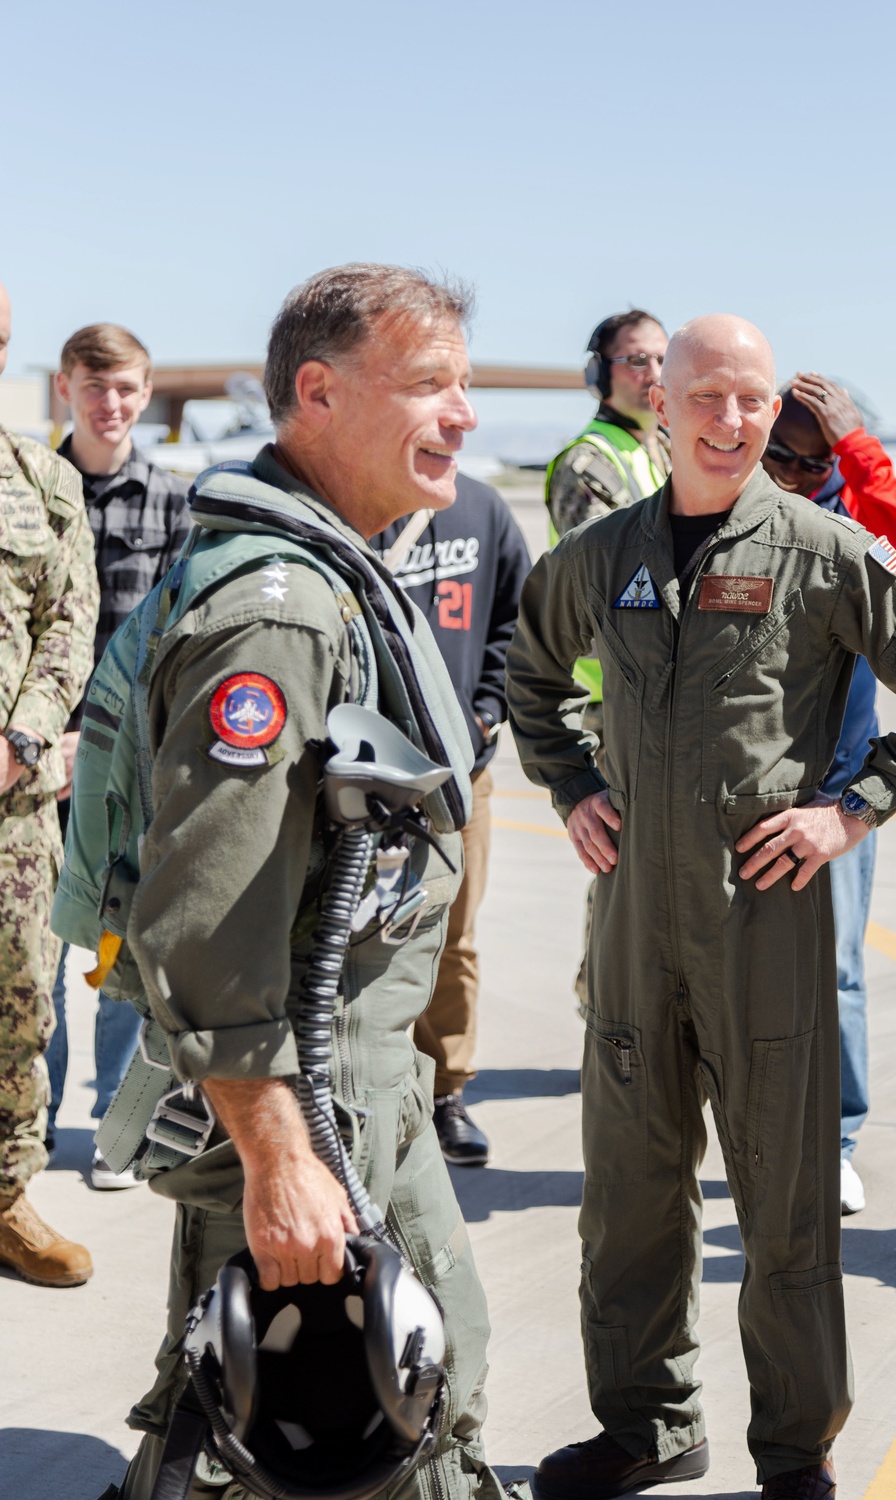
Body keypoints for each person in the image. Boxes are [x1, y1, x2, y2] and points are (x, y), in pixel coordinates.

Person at [506, 314, 896, 1500]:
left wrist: (855, 808)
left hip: (764, 927)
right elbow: (528, 675)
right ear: (662, 405)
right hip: (631, 930)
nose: (733, 422)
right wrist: (571, 784)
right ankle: (644, 1425)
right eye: (710, 398)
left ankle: (794, 1449)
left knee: (784, 1212)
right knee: (626, 1201)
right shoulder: (600, 555)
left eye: (754, 401)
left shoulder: (823, 552)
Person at [105, 264, 522, 1500]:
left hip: (351, 1081)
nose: (465, 414)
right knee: (359, 1424)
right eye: (431, 385)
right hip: (308, 1099)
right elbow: (210, 917)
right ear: (319, 394)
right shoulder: (279, 615)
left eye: (466, 384)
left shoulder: (336, 571)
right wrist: (282, 1159)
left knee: (300, 1402)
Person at [762, 374, 896, 1215]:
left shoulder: (851, 513)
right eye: (781, 458)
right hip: (728, 788)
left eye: (813, 460)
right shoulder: (722, 501)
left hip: (832, 794)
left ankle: (832, 1142)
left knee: (833, 974)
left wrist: (859, 453)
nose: (795, 476)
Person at [45, 324, 190, 1188]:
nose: (111, 404)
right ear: (66, 387)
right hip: (36, 760)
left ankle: (111, 1127)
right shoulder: (28, 488)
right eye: (95, 387)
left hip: (130, 766)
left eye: (126, 388)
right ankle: (27, 1126)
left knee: (118, 949)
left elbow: (177, 638)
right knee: (30, 953)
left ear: (144, 391)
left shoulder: (174, 503)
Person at [373, 475, 531, 1165]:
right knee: (352, 940)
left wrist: (489, 709)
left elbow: (520, 621)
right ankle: (366, 1092)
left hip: (459, 777)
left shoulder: (484, 509)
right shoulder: (356, 498)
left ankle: (445, 1092)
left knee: (451, 939)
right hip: (359, 778)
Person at [0, 280, 99, 1288]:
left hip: (13, 811)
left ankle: (4, 1198)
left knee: (21, 1002)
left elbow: (71, 626)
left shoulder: (42, 480)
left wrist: (22, 743)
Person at [546, 310, 670, 1010]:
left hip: (669, 691)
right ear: (601, 373)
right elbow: (608, 586)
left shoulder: (671, 451)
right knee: (622, 868)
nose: (652, 374)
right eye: (635, 361)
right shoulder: (589, 463)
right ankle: (608, 1011)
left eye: (660, 359)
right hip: (615, 697)